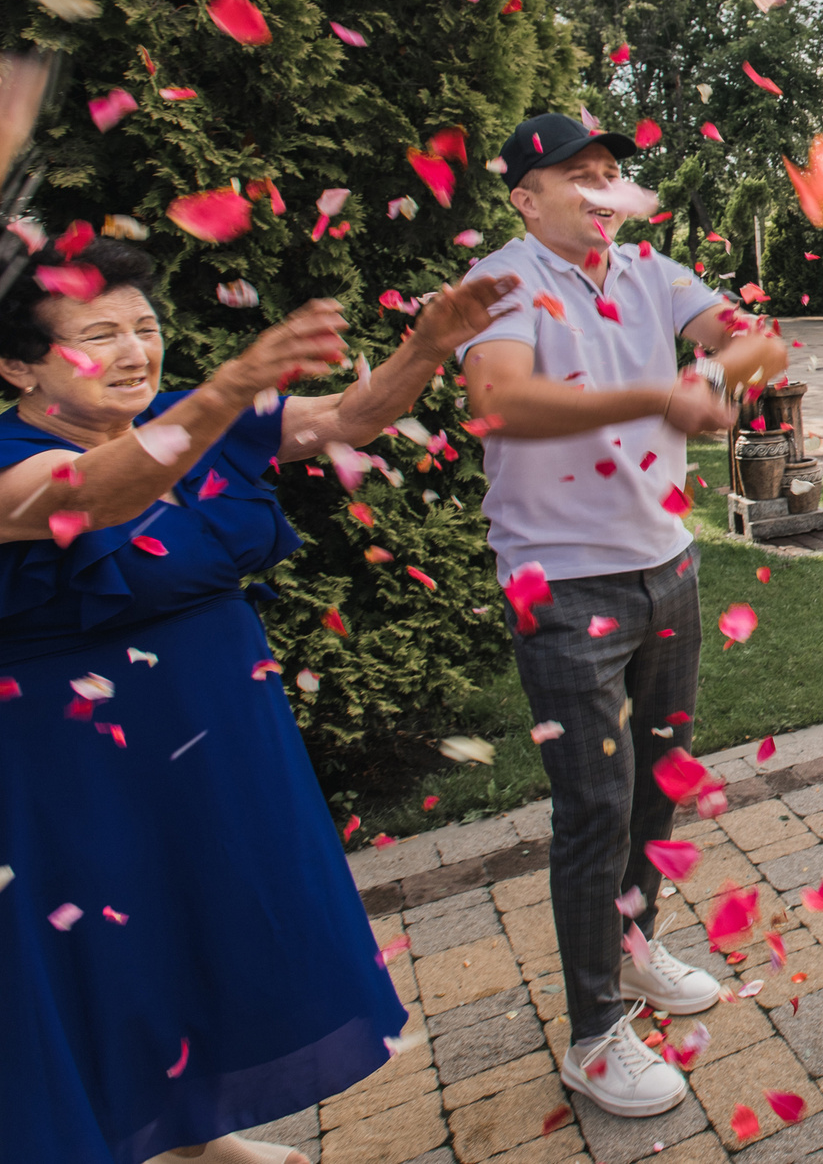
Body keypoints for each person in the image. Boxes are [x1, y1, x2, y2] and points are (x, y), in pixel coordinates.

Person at [0, 239, 513, 1164]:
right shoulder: (15, 460)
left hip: (214, 738)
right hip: (72, 766)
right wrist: (228, 386)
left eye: (146, 328)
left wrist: (428, 346)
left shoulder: (184, 415)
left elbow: (352, 415)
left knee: (203, 918)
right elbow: (96, 491)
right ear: (17, 366)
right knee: (109, 952)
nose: (134, 351)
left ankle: (199, 1135)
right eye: (99, 334)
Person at [457, 113, 787, 1119]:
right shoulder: (501, 284)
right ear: (525, 197)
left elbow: (754, 341)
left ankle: (634, 947)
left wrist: (716, 377)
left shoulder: (652, 272)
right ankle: (594, 1032)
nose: (604, 190)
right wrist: (658, 393)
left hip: (667, 570)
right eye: (577, 176)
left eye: (612, 174)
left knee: (654, 789)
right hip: (559, 585)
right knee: (594, 808)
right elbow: (502, 399)